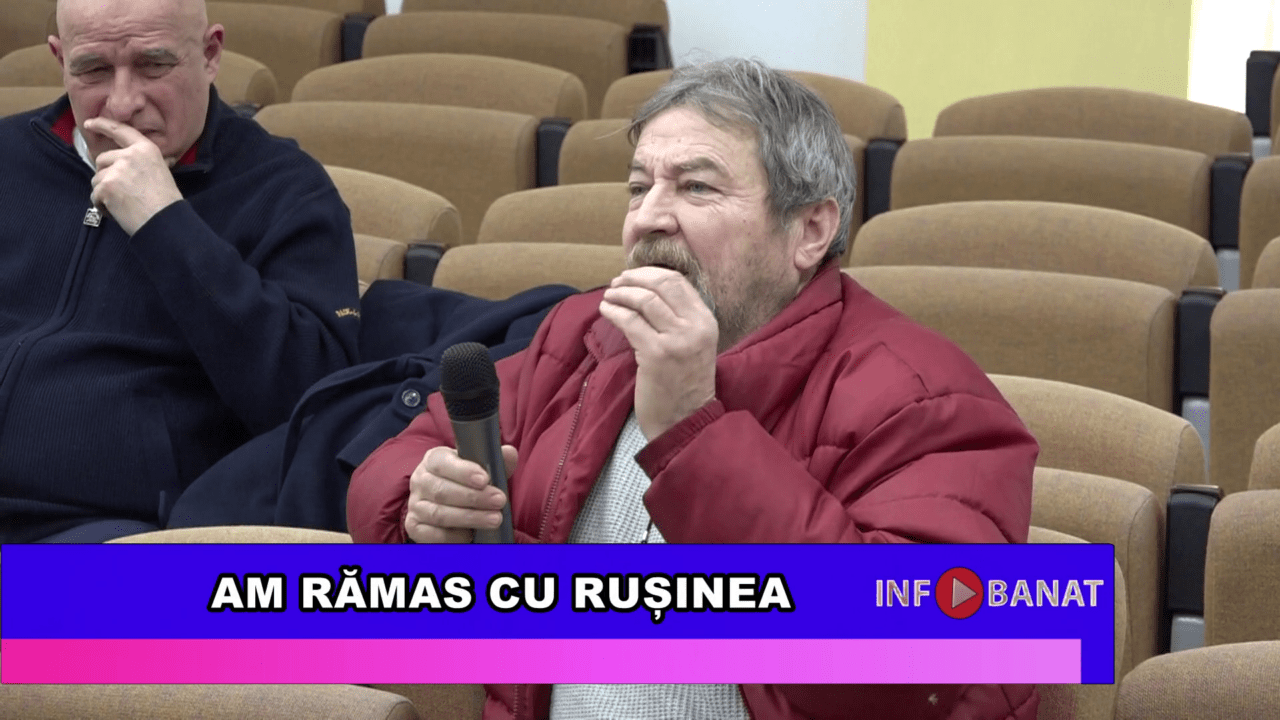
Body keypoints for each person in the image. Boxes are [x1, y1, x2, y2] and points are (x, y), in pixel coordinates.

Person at [347, 59, 1039, 720]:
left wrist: (690, 427)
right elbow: (398, 461)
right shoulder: (585, 332)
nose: (648, 217)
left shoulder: (930, 398)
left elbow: (903, 663)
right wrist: (418, 501)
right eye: (638, 187)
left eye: (696, 188)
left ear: (810, 230)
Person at [0, 0, 361, 543]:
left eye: (153, 64)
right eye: (93, 69)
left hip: (113, 528)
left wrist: (165, 223)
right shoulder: (8, 156)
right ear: (59, 60)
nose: (123, 102)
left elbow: (314, 397)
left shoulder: (286, 190)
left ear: (211, 54)